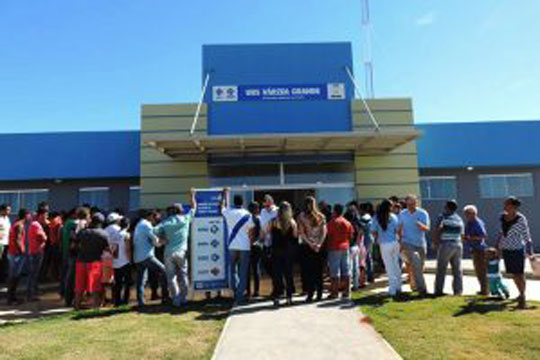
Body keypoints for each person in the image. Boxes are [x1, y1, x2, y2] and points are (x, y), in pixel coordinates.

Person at [154, 190, 196, 308]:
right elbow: (194, 208)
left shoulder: (166, 222)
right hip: (182, 252)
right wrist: (192, 195)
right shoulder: (186, 219)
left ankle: (176, 300)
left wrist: (161, 240)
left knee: (171, 278)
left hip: (168, 252)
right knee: (183, 275)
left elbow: (153, 231)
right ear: (181, 210)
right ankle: (184, 299)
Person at [496, 197, 534, 309]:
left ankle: (522, 296)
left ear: (513, 206)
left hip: (517, 250)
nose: (504, 206)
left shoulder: (521, 219)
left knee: (519, 273)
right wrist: (498, 247)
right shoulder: (502, 217)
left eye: (506, 204)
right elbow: (501, 233)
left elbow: (527, 235)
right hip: (506, 249)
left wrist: (530, 251)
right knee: (513, 273)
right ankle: (520, 293)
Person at [221, 189, 254, 305]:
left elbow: (221, 206)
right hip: (245, 246)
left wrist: (225, 195)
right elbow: (250, 231)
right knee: (243, 271)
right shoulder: (247, 214)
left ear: (234, 202)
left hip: (232, 245)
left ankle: (234, 290)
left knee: (232, 270)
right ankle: (239, 296)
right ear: (242, 202)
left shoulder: (228, 212)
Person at [73, 213, 111, 309]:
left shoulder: (83, 232)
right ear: (101, 222)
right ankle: (95, 308)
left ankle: (76, 307)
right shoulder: (103, 234)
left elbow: (74, 244)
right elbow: (108, 249)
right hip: (95, 262)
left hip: (80, 261)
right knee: (95, 287)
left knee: (79, 288)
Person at [133, 209, 169, 307]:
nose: (155, 220)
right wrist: (164, 242)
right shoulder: (147, 225)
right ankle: (165, 297)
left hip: (138, 257)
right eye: (155, 217)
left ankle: (141, 302)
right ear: (150, 216)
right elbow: (156, 242)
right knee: (165, 271)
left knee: (141, 280)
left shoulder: (139, 224)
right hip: (147, 256)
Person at [399, 194, 430, 295]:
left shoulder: (422, 213)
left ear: (416, 203)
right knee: (414, 264)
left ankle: (413, 284)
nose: (411, 206)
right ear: (406, 204)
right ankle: (422, 289)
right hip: (407, 243)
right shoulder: (402, 214)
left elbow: (427, 228)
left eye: (413, 204)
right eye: (409, 204)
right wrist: (400, 242)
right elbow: (399, 229)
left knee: (419, 267)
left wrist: (421, 226)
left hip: (420, 243)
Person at [297, 196, 327, 302]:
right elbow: (324, 232)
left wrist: (311, 244)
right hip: (318, 247)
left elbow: (301, 233)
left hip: (307, 247)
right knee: (318, 271)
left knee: (309, 272)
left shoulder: (301, 216)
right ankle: (319, 294)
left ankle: (311, 294)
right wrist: (319, 244)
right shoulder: (321, 216)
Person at [371, 199, 402, 297]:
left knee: (389, 267)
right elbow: (397, 230)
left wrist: (377, 237)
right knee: (396, 265)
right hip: (394, 242)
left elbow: (373, 231)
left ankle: (392, 290)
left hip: (384, 244)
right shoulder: (393, 216)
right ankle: (398, 287)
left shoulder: (376, 217)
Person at [433, 200, 464, 296]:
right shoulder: (459, 218)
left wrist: (435, 243)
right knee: (457, 269)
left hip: (446, 244)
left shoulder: (442, 216)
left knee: (441, 269)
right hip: (458, 244)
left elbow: (437, 230)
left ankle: (438, 291)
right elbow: (462, 234)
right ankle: (458, 291)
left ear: (446, 207)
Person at [270, 201, 298, 307]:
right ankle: (289, 297)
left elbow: (265, 233)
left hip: (276, 251)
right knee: (288, 274)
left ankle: (276, 297)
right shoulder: (292, 222)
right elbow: (295, 236)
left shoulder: (273, 221)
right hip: (288, 251)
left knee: (277, 275)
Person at [326, 203, 354, 299]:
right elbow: (351, 236)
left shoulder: (332, 222)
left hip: (334, 247)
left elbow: (327, 235)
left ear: (334, 211)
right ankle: (347, 291)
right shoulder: (347, 222)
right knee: (346, 270)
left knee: (334, 271)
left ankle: (335, 292)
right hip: (345, 247)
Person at [463, 205, 489, 295]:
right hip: (474, 249)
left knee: (482, 271)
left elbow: (484, 236)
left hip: (480, 250)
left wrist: (471, 238)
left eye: (467, 214)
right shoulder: (469, 223)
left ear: (474, 213)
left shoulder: (477, 223)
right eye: (465, 214)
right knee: (478, 271)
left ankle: (485, 291)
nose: (466, 216)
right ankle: (483, 290)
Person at [6, 209, 29, 305]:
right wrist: (23, 251)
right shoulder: (19, 225)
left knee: (14, 276)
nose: (30, 217)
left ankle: (12, 297)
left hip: (13, 253)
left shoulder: (16, 223)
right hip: (16, 254)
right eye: (29, 215)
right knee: (14, 277)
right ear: (25, 216)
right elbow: (18, 240)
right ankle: (10, 299)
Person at [25, 208, 48, 301]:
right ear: (40, 215)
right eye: (45, 215)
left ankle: (32, 294)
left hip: (35, 252)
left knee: (33, 274)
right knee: (33, 275)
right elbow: (43, 237)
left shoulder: (35, 224)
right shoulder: (36, 225)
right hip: (36, 253)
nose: (46, 217)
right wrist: (45, 236)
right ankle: (31, 295)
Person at [110, 217, 132, 306]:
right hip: (125, 261)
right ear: (128, 225)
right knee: (127, 282)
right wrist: (130, 260)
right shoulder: (126, 235)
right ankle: (125, 300)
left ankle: (117, 301)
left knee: (117, 283)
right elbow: (128, 249)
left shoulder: (115, 234)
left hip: (116, 261)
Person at [344, 203, 366, 291]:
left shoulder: (347, 223)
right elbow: (361, 233)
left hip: (349, 246)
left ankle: (348, 286)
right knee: (356, 267)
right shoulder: (358, 222)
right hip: (356, 246)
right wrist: (357, 242)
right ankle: (356, 285)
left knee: (349, 267)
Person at [259, 195, 278, 285]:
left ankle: (278, 286)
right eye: (265, 205)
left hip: (276, 242)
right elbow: (262, 226)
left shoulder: (277, 211)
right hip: (266, 242)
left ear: (271, 202)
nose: (266, 207)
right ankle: (275, 280)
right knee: (266, 265)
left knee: (276, 266)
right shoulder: (263, 212)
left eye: (267, 204)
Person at [246, 201, 262, 299]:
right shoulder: (257, 219)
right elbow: (260, 234)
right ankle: (256, 291)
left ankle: (248, 291)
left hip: (247, 247)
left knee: (247, 270)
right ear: (256, 209)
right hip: (256, 246)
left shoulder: (246, 219)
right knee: (256, 269)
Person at [359, 202, 375, 283]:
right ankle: (370, 276)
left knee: (366, 258)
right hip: (370, 238)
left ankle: (368, 276)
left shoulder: (364, 218)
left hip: (366, 239)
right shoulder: (369, 217)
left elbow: (361, 228)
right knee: (369, 258)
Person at [0, 204, 11, 279]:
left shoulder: (7, 218)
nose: (9, 211)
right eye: (7, 210)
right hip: (0, 243)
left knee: (4, 261)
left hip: (7, 242)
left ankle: (3, 276)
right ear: (2, 210)